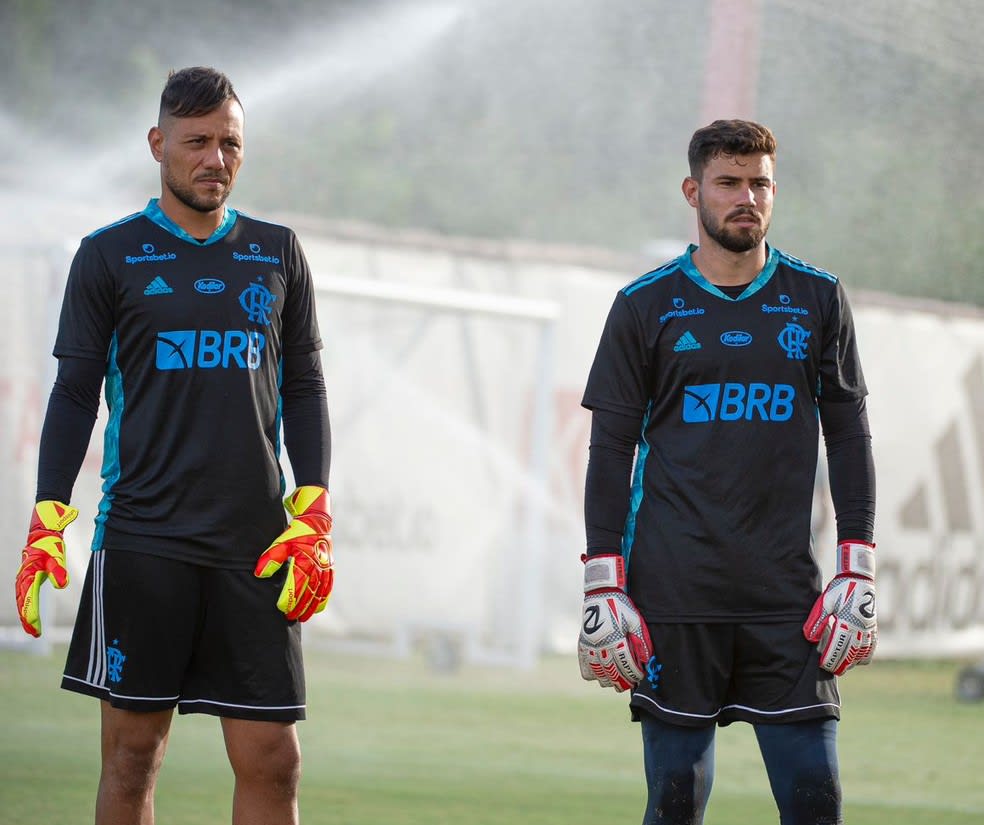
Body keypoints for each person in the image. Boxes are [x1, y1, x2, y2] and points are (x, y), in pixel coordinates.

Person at [14, 66, 333, 825]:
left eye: (230, 143)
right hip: (144, 539)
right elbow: (73, 396)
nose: (214, 159)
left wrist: (312, 509)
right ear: (158, 144)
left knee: (276, 760)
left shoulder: (277, 251)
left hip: (256, 543)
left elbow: (306, 388)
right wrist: (48, 513)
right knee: (132, 758)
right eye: (196, 142)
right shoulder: (108, 255)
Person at [576, 119, 876, 825]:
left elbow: (851, 436)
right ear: (693, 191)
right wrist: (602, 580)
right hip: (674, 592)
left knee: (816, 800)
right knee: (675, 801)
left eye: (760, 183)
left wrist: (856, 566)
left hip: (785, 597)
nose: (747, 196)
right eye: (729, 182)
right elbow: (610, 452)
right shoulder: (642, 307)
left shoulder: (818, 298)